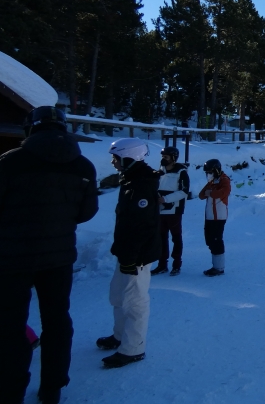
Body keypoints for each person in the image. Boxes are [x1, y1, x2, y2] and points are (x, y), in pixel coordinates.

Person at [0, 107, 98, 404]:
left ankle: (10, 389)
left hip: (11, 257)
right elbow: (87, 211)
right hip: (59, 256)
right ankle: (52, 387)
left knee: (10, 325)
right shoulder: (82, 166)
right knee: (57, 320)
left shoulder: (10, 161)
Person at [97, 137, 160, 369]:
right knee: (117, 296)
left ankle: (134, 348)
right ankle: (120, 335)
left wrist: (131, 258)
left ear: (128, 158)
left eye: (116, 158)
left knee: (135, 300)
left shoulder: (141, 184)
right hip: (126, 252)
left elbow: (141, 227)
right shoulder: (132, 179)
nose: (113, 163)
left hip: (137, 256)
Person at [151, 146, 190, 276]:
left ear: (173, 158)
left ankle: (176, 264)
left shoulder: (181, 172)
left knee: (176, 238)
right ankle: (162, 264)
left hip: (174, 211)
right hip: (160, 211)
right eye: (162, 157)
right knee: (161, 238)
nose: (163, 159)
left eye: (166, 157)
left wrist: (166, 199)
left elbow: (184, 191)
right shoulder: (160, 172)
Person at [199, 159, 231, 277]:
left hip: (219, 216)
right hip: (209, 216)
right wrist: (210, 190)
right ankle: (215, 265)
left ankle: (219, 267)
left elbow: (223, 192)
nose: (208, 174)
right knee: (209, 240)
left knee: (216, 240)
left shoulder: (224, 179)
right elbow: (201, 195)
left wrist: (211, 192)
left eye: (210, 172)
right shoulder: (212, 181)